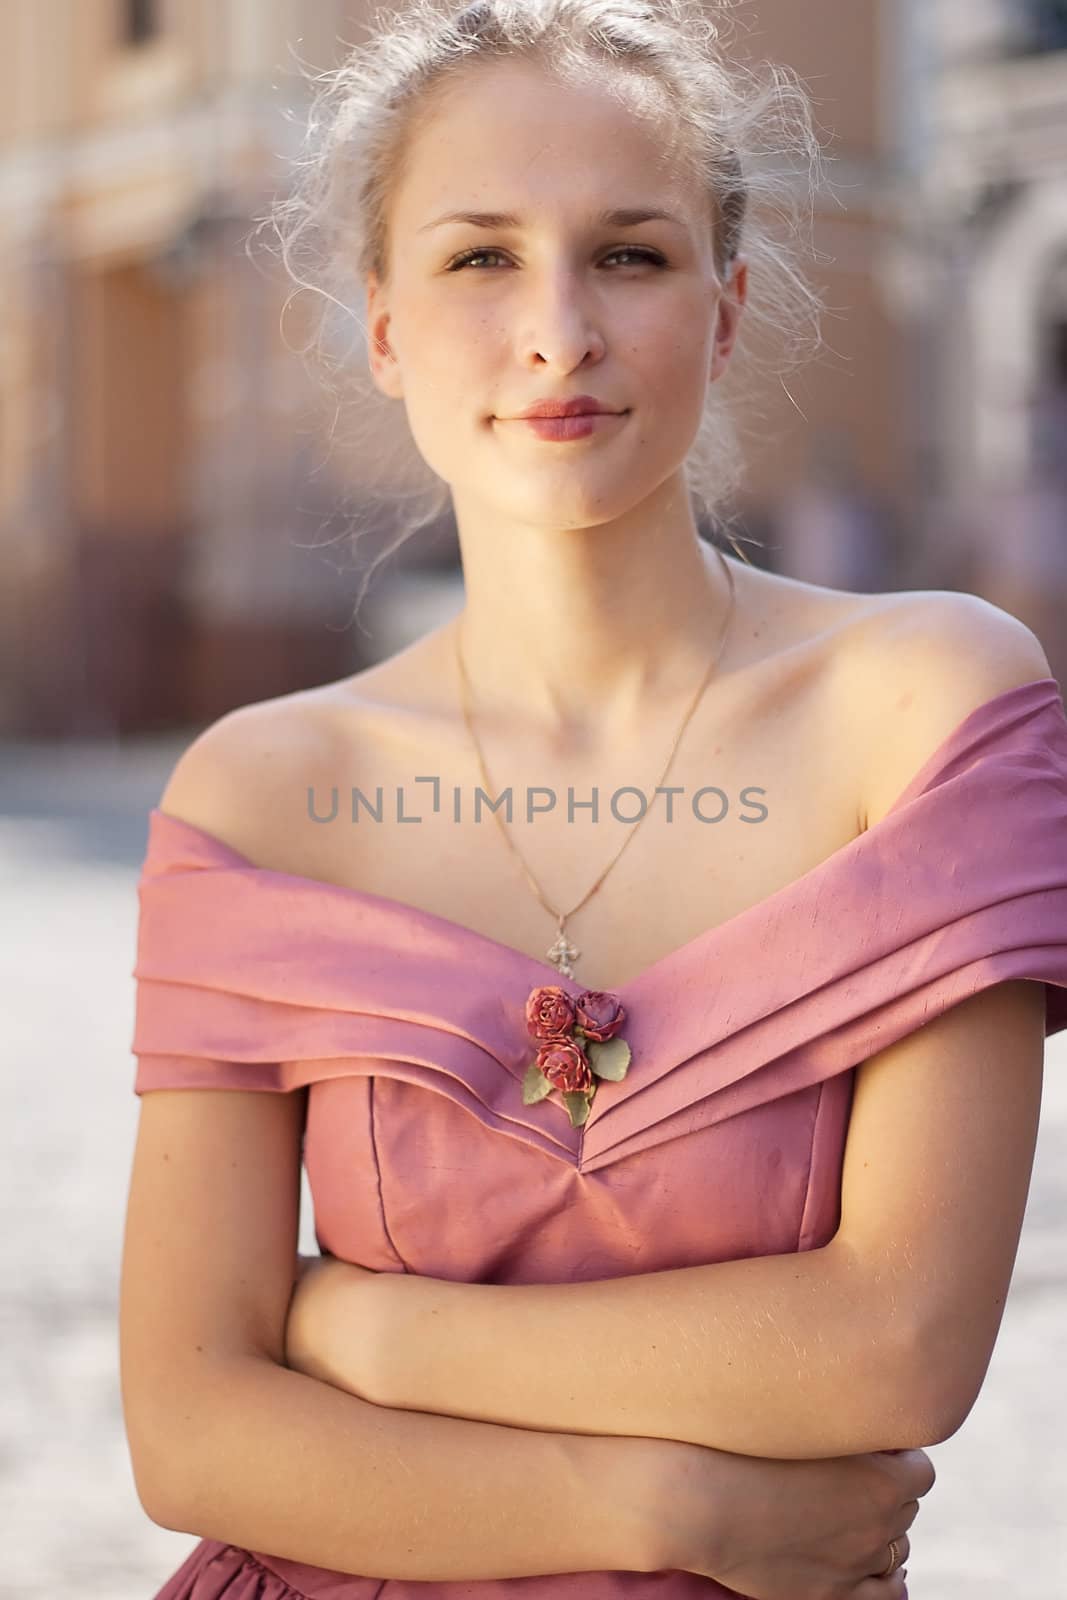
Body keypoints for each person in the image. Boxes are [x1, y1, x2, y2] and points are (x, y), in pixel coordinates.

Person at [118, 3, 1067, 1598]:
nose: (557, 330)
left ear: (728, 309)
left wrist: (368, 1324)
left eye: (629, 253)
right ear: (384, 325)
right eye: (480, 259)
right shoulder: (261, 796)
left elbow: (892, 1351)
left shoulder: (927, 707)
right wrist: (671, 1518)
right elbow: (192, 1432)